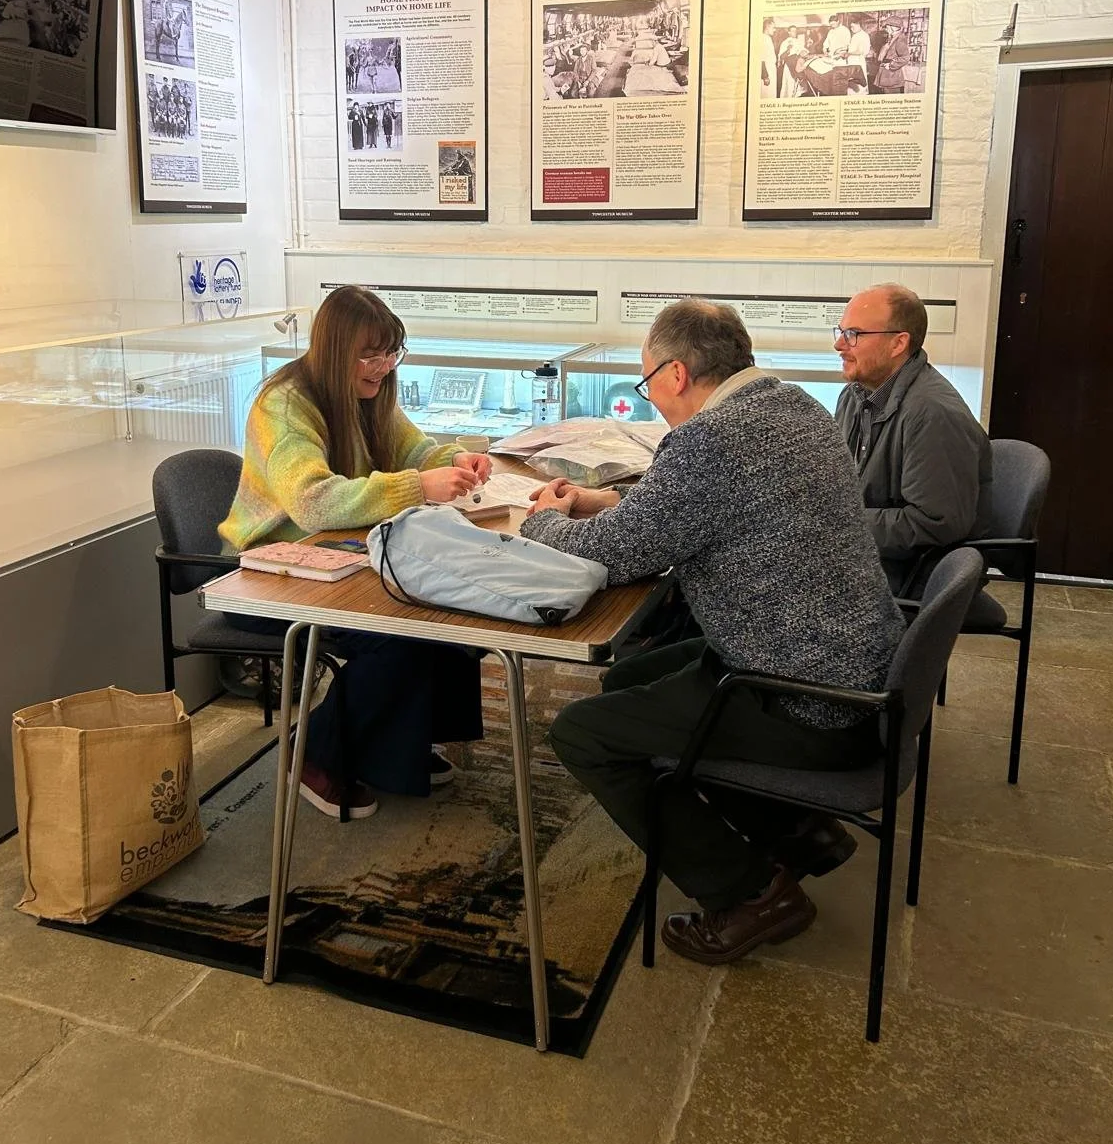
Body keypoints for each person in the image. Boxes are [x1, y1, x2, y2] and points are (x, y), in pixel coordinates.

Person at [520, 300, 905, 967]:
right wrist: (593, 501)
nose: (651, 397)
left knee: (582, 732)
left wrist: (541, 525)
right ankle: (795, 830)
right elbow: (688, 511)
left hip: (804, 700)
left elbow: (615, 556)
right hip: (854, 672)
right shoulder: (793, 405)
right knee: (630, 676)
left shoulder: (709, 440)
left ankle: (751, 894)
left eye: (646, 383)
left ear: (674, 373)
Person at [219, 285, 493, 818]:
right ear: (334, 350)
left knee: (449, 616)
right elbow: (313, 504)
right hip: (270, 569)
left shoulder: (368, 392)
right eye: (370, 354)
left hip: (338, 555)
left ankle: (399, 746)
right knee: (399, 637)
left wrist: (458, 458)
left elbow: (414, 449)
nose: (384, 366)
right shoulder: (284, 404)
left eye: (391, 352)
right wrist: (418, 486)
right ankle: (315, 753)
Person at [834, 285, 993, 594]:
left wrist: (838, 524)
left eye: (854, 334)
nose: (840, 344)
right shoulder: (854, 395)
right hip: (868, 556)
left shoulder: (932, 413)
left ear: (898, 344)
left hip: (912, 573)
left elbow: (937, 523)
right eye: (840, 331)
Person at [875, 21, 910, 93]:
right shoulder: (892, 38)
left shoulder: (900, 39)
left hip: (892, 75)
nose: (886, 29)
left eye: (887, 27)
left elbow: (905, 58)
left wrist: (891, 65)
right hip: (887, 73)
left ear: (892, 28)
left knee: (892, 97)